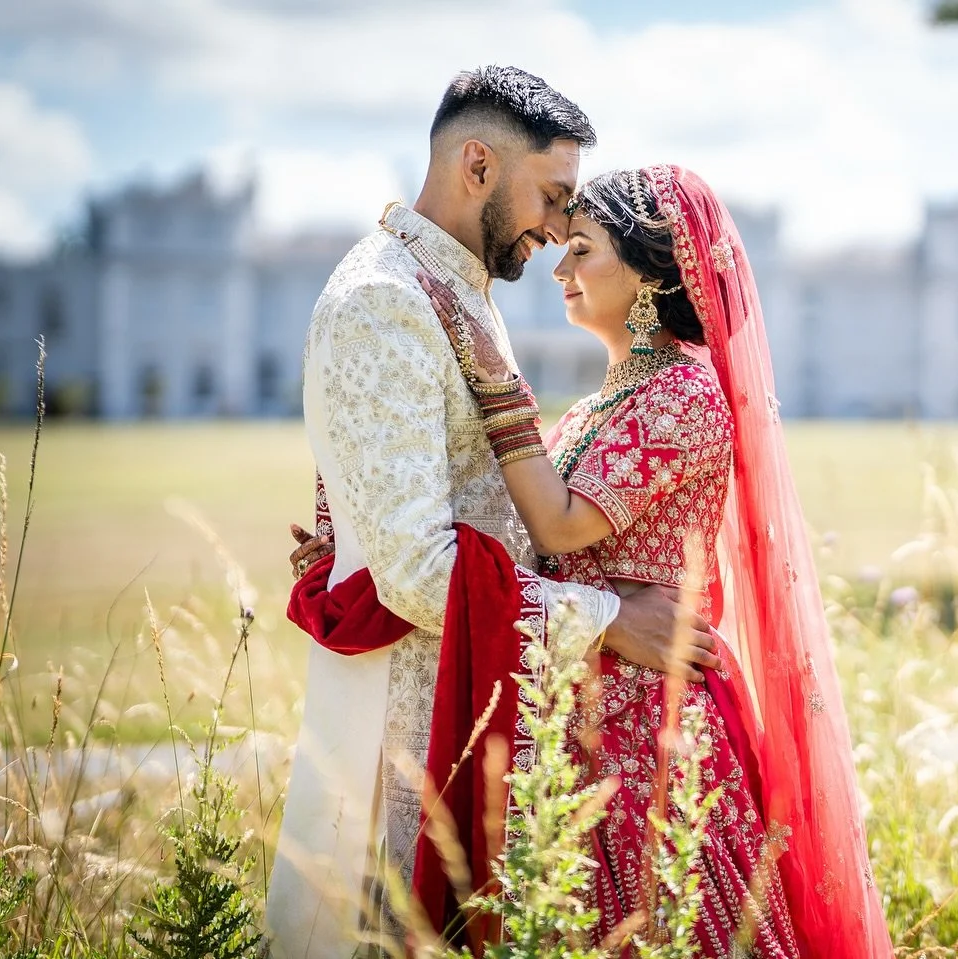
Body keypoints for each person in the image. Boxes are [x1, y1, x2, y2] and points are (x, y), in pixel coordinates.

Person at [290, 165, 894, 958]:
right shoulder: (599, 404)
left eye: (581, 249)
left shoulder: (683, 393)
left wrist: (496, 386)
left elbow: (561, 524)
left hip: (649, 725)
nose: (559, 266)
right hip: (585, 701)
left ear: (650, 275)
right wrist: (366, 541)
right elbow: (520, 531)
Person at [266, 68, 713, 959]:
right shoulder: (384, 301)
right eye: (551, 197)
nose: (557, 232)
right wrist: (610, 619)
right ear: (477, 163)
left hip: (477, 703)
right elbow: (421, 571)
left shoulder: (459, 290)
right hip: (411, 725)